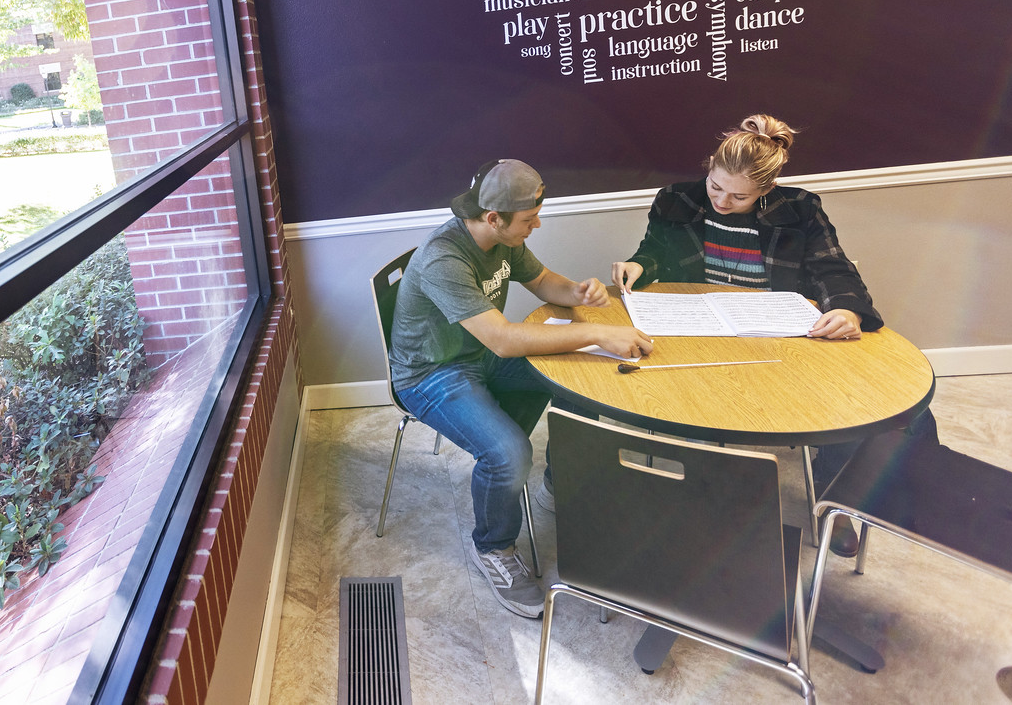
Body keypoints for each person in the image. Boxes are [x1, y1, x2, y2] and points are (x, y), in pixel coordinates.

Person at [610, 113, 936, 558]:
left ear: (766, 189)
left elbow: (832, 268)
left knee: (864, 402)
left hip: (775, 332)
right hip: (701, 331)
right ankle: (711, 503)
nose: (722, 201)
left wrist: (845, 309)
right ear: (709, 168)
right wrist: (640, 265)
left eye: (739, 195)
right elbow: (655, 253)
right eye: (715, 186)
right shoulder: (674, 199)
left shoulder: (799, 208)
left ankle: (838, 501)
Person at [389, 159, 653, 618]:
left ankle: (557, 483)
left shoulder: (503, 240)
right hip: (430, 374)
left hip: (476, 355)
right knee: (508, 454)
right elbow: (505, 340)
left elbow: (544, 281)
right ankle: (493, 547)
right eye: (529, 220)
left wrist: (578, 292)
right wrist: (597, 334)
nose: (536, 225)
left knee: (581, 380)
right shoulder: (443, 258)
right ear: (494, 217)